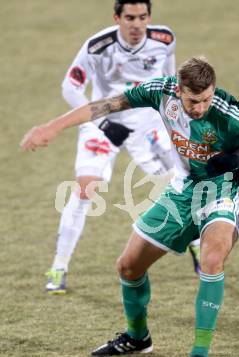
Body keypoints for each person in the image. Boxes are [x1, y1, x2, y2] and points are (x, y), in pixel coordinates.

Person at [21, 57, 239, 357]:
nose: (201, 107)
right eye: (193, 100)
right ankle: (138, 338)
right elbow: (105, 105)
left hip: (223, 193)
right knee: (128, 267)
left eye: (206, 99)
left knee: (211, 260)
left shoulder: (230, 112)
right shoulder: (160, 92)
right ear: (179, 90)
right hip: (181, 191)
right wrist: (52, 127)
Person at [45, 0, 200, 295]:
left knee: (180, 184)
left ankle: (196, 246)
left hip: (148, 122)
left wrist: (174, 121)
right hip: (104, 120)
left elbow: (169, 82)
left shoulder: (164, 39)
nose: (136, 24)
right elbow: (70, 87)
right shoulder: (97, 47)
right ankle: (59, 266)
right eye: (129, 17)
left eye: (142, 17)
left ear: (149, 17)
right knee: (85, 188)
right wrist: (103, 124)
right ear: (117, 18)